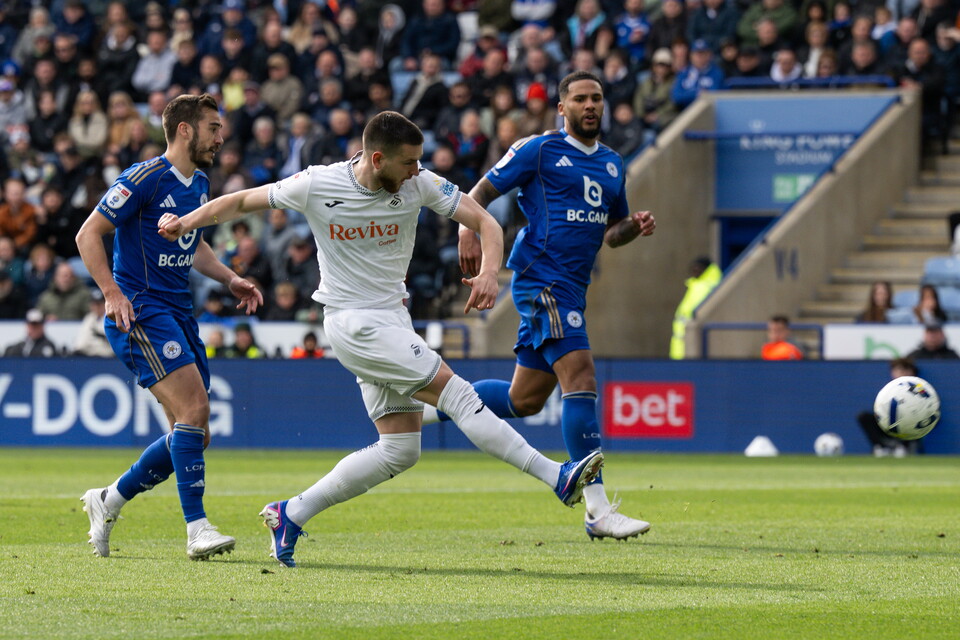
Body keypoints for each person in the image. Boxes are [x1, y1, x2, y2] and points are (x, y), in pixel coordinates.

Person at [156, 110, 605, 568]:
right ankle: (557, 476)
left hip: (393, 319)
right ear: (377, 159)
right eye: (408, 162)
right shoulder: (318, 184)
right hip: (353, 323)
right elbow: (239, 202)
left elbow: (486, 222)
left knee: (399, 449)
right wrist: (186, 223)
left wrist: (490, 272)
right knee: (457, 395)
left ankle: (290, 513)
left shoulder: (419, 183)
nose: (416, 170)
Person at [429, 71, 657, 541]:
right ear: (562, 107)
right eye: (580, 98)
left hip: (572, 288)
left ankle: (425, 408)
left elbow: (612, 234)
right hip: (542, 281)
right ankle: (597, 508)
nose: (590, 105)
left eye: (596, 98)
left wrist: (632, 227)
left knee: (525, 400)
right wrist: (466, 228)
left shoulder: (613, 164)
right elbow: (482, 191)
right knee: (581, 377)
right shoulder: (539, 149)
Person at [74, 93, 263, 561]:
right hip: (140, 310)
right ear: (185, 129)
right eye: (213, 128)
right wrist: (112, 293)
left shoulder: (198, 182)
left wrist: (230, 278)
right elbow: (87, 233)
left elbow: (194, 244)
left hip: (179, 312)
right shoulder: (143, 178)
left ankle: (108, 499)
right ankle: (197, 528)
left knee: (194, 433)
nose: (220, 138)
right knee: (195, 411)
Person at [858, 357, 922, 457]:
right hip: (888, 424)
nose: (901, 373)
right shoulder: (889, 388)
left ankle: (904, 446)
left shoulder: (918, 388)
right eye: (897, 370)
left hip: (908, 425)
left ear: (912, 372)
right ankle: (883, 446)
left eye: (904, 370)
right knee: (864, 416)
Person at [671, 256, 722, 359]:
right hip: (683, 342)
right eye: (693, 267)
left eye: (698, 267)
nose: (695, 270)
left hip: (690, 342)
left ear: (706, 269)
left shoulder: (702, 287)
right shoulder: (696, 285)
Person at [73, 289, 113, 357]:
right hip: (89, 356)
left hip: (108, 358)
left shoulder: (112, 318)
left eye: (99, 304)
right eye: (94, 304)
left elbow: (111, 349)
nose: (97, 307)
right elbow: (81, 344)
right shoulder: (89, 318)